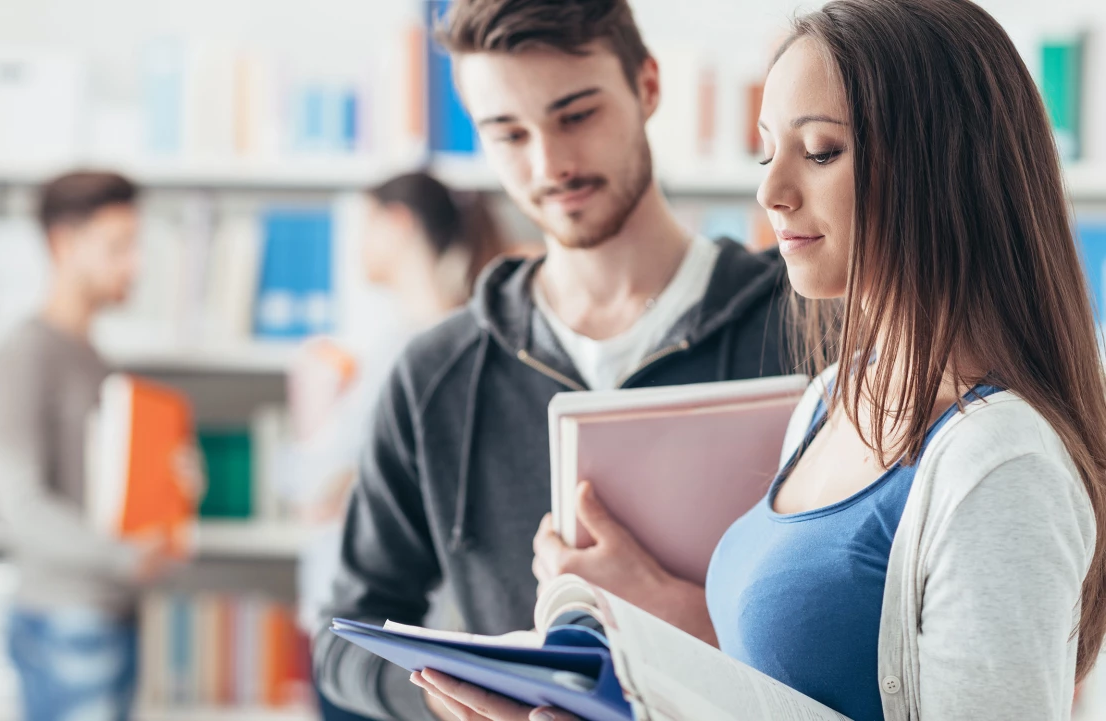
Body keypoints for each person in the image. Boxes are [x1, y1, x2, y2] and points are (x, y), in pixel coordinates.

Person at [415, 0, 1106, 719]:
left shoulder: (1000, 465)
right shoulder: (830, 400)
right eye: (766, 151)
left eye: (820, 152)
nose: (770, 192)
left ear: (944, 165)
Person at [313, 1, 792, 719]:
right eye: (507, 133)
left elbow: (883, 630)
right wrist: (454, 697)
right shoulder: (434, 374)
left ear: (649, 86)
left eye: (576, 115)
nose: (548, 164)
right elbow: (342, 640)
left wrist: (685, 619)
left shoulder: (807, 329)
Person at [277, 172, 507, 721]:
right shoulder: (441, 338)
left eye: (364, 227)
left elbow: (315, 488)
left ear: (397, 223)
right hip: (398, 629)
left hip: (377, 634)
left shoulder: (414, 351)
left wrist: (314, 405)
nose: (356, 247)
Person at [0, 171, 185, 721]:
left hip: (108, 615)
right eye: (117, 247)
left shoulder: (93, 358)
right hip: (67, 619)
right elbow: (16, 503)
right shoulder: (24, 355)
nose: (133, 265)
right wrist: (123, 555)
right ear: (62, 244)